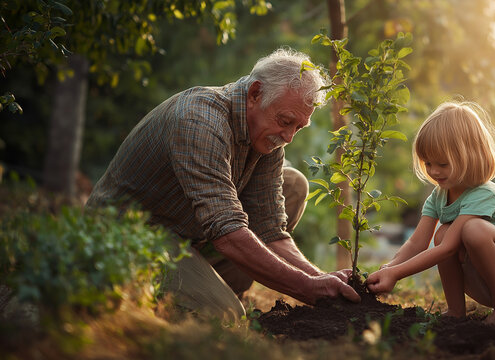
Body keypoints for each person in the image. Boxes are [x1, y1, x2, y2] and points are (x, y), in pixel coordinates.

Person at [86, 48, 360, 321]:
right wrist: (306, 288)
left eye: (298, 127)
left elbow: (270, 228)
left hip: (187, 235)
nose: (288, 137)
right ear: (255, 94)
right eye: (286, 122)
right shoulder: (199, 120)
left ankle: (205, 286)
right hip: (130, 233)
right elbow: (227, 230)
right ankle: (177, 297)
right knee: (225, 317)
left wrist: (318, 277)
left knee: (293, 185)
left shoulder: (268, 135)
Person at [366, 101, 495, 326]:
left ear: (469, 156)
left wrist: (397, 275)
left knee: (471, 231)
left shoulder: (484, 193)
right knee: (443, 233)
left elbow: (448, 248)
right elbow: (416, 242)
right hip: (486, 276)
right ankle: (455, 311)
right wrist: (389, 267)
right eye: (428, 163)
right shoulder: (439, 195)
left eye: (442, 163)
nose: (433, 171)